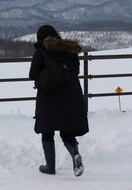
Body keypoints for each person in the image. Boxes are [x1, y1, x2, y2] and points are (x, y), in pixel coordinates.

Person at [29, 25, 89, 177]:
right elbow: (75, 72)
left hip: (49, 96)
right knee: (66, 131)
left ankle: (50, 167)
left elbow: (32, 74)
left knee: (47, 131)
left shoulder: (42, 51)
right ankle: (75, 154)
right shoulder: (70, 50)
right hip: (71, 95)